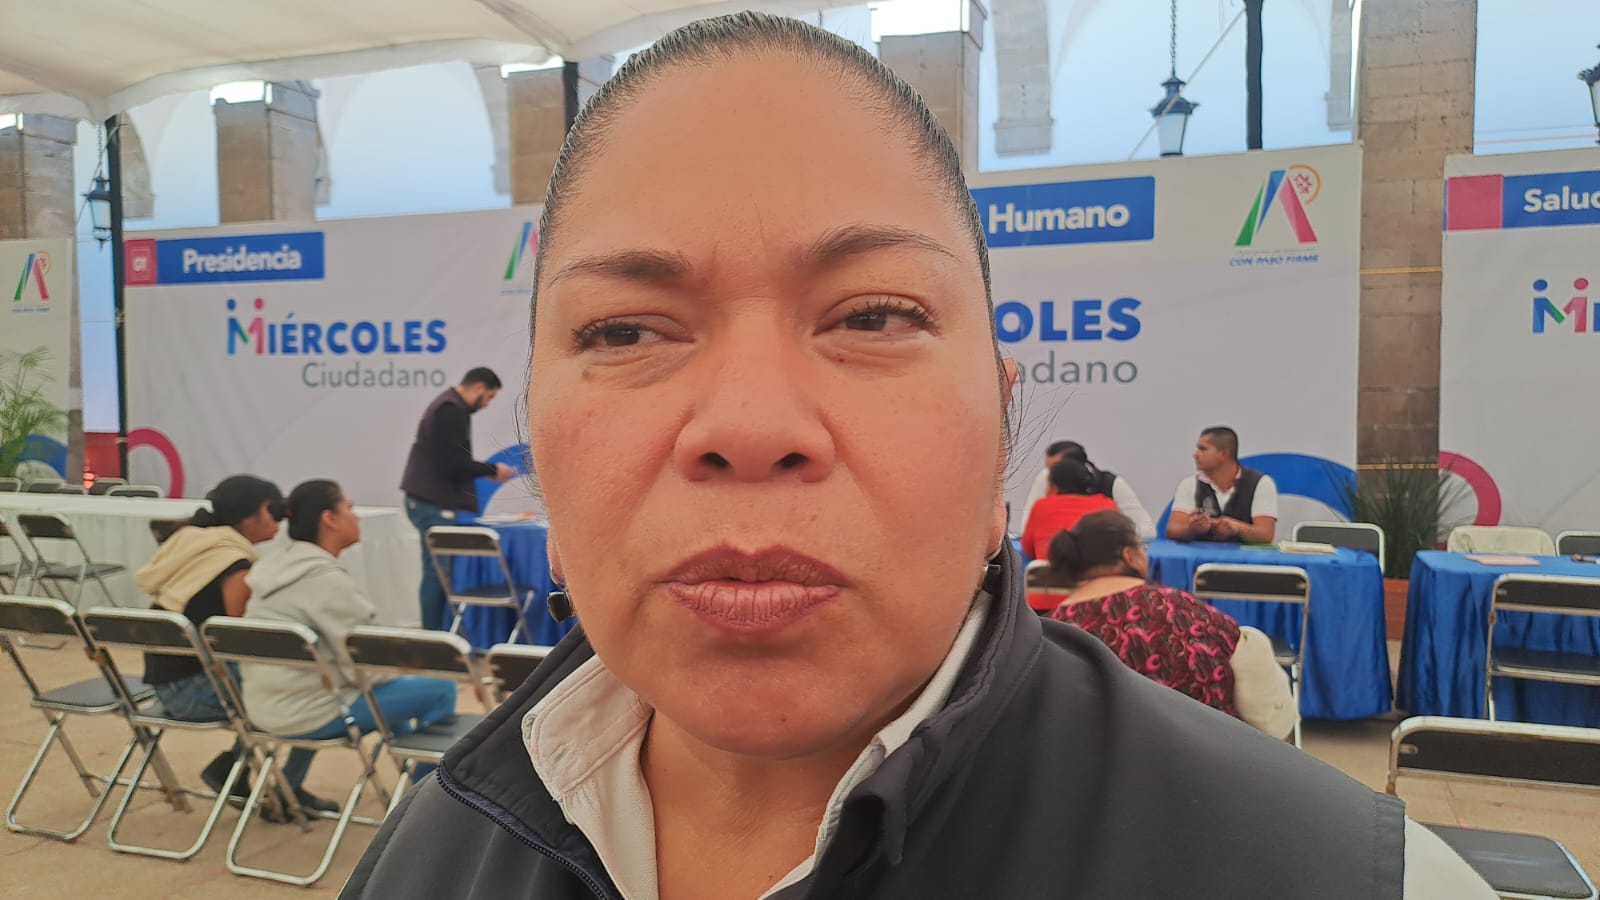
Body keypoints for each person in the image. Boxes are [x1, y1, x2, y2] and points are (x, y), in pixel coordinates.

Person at [343, 13, 1492, 900]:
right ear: (538, 440)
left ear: (1000, 438)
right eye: (625, 332)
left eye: (874, 316)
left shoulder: (1343, 879)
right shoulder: (430, 853)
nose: (750, 424)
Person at [242, 480, 457, 813]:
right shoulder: (324, 581)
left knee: (369, 689)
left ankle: (288, 789)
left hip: (263, 706)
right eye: (349, 508)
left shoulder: (273, 569)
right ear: (329, 519)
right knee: (440, 689)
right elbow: (368, 666)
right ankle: (423, 804)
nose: (355, 517)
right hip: (310, 713)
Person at [1048, 511, 1297, 738]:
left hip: (1094, 769)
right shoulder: (1192, 614)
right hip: (1205, 762)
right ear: (1129, 556)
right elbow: (1273, 723)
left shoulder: (1053, 632)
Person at [134, 475, 297, 801]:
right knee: (299, 696)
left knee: (287, 686)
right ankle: (277, 786)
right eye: (274, 511)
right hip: (194, 694)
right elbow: (238, 641)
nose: (280, 521)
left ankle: (236, 769)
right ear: (249, 517)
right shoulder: (234, 565)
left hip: (165, 686)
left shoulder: (194, 543)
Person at [400, 367, 516, 630]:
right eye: (489, 398)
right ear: (479, 388)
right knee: (438, 573)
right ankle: (434, 637)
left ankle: (438, 632)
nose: (486, 405)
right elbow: (453, 465)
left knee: (438, 572)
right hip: (432, 503)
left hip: (428, 500)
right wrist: (491, 470)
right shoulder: (450, 410)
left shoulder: (448, 407)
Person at [1166, 426, 1280, 544]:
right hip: (1198, 555)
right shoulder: (1190, 484)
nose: (1195, 455)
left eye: (1203, 449)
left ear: (1223, 454)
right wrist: (1192, 528)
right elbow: (1172, 530)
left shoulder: (1260, 483)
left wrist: (1237, 528)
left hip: (1245, 556)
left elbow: (1265, 535)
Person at [1023, 440, 1156, 539]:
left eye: (1056, 469)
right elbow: (1027, 527)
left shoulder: (1111, 486)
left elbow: (1147, 530)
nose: (1050, 475)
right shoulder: (1045, 479)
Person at [1019, 457, 1116, 562]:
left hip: (1050, 569)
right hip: (1096, 569)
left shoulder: (1041, 506)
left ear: (1054, 486)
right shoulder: (1108, 505)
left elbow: (1028, 548)